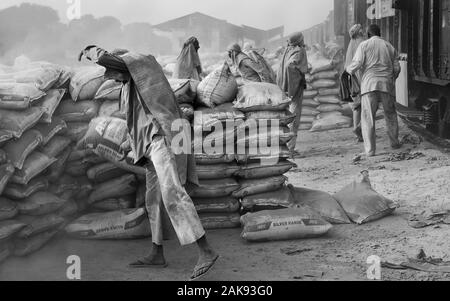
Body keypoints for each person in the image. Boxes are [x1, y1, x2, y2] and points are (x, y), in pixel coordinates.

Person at [78, 46, 219, 280]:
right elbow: (138, 123)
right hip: (150, 144)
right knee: (152, 199)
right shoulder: (129, 88)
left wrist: (90, 50)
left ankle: (206, 251)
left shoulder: (145, 66)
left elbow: (110, 59)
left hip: (163, 137)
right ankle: (156, 253)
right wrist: (128, 146)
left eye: (112, 71)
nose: (110, 77)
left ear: (123, 64)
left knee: (173, 193)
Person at [346, 24, 401, 157]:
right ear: (379, 33)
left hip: (369, 86)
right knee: (391, 115)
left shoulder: (364, 45)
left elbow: (357, 64)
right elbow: (397, 67)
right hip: (386, 85)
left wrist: (349, 70)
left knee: (368, 118)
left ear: (369, 34)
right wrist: (392, 78)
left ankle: (370, 151)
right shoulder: (389, 46)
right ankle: (394, 143)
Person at [276, 32, 308, 157]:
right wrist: (296, 79)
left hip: (286, 88)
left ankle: (285, 147)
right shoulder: (299, 51)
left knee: (286, 116)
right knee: (294, 117)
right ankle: (290, 149)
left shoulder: (287, 50)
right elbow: (290, 66)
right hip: (294, 88)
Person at [344, 24, 365, 142]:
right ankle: (359, 130)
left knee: (356, 107)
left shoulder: (351, 43)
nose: (363, 30)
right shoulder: (362, 42)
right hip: (360, 78)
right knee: (365, 106)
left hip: (351, 78)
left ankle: (358, 134)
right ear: (358, 32)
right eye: (361, 28)